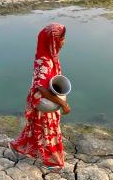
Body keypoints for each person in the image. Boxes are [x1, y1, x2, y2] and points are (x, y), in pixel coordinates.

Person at [10, 23, 70, 170]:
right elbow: (42, 89)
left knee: (35, 129)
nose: (64, 41)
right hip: (44, 102)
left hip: (47, 100)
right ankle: (54, 161)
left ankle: (19, 147)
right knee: (49, 131)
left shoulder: (50, 56)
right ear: (53, 41)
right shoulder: (45, 61)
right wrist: (63, 104)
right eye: (61, 38)